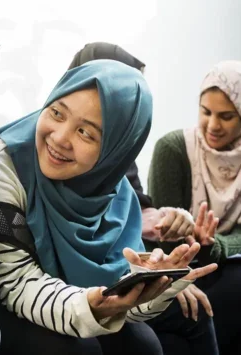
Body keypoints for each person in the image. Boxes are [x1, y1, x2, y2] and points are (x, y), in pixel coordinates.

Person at [0, 59, 217, 355]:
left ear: (116, 149)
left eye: (86, 133)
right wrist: (92, 306)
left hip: (67, 299)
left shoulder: (113, 190)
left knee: (145, 346)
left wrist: (159, 284)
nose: (59, 138)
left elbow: (122, 299)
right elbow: (17, 286)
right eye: (57, 113)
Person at [68, 41, 219, 355]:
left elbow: (140, 209)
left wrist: (169, 221)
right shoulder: (58, 142)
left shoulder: (120, 141)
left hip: (123, 269)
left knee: (195, 314)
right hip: (72, 282)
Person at [148, 60, 241, 354]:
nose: (213, 125)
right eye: (206, 112)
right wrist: (189, 235)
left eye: (226, 116)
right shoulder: (173, 149)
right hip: (177, 263)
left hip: (225, 259)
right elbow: (160, 234)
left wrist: (214, 246)